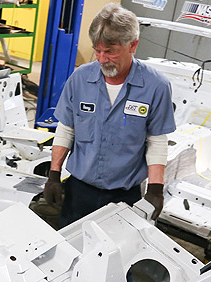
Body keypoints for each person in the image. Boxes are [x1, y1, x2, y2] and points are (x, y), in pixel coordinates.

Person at [43, 3, 175, 227]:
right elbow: (66, 129)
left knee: (117, 247)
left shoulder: (156, 86)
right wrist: (54, 175)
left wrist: (155, 189)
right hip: (78, 192)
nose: (102, 59)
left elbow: (156, 140)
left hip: (124, 196)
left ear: (133, 45)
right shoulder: (80, 79)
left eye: (110, 51)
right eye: (98, 50)